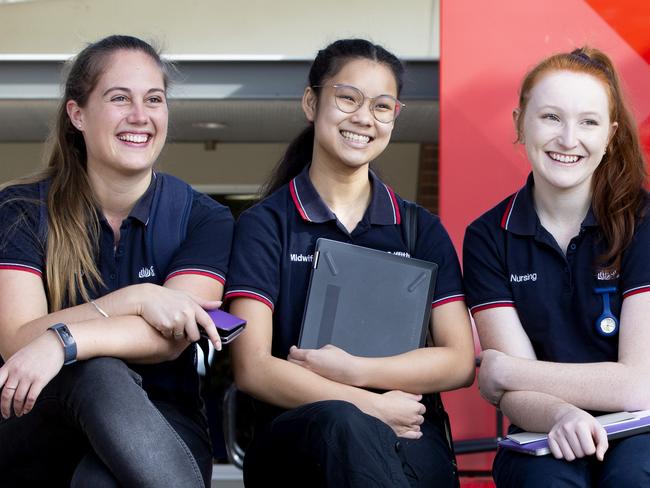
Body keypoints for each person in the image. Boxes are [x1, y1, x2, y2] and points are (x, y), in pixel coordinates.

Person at [225, 38, 475, 487]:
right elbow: (252, 366)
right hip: (299, 440)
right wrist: (370, 404)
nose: (363, 118)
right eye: (347, 98)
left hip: (410, 435)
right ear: (311, 102)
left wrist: (359, 372)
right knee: (342, 423)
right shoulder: (266, 225)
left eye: (382, 107)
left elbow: (457, 361)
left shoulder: (419, 230)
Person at [0, 35, 234, 487]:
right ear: (77, 114)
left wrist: (61, 342)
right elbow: (17, 340)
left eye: (154, 99)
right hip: (36, 418)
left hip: (163, 422)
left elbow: (173, 336)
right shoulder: (21, 210)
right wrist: (138, 298)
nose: (140, 116)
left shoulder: (202, 218)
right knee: (100, 371)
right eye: (119, 98)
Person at [463, 47, 650, 487]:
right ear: (519, 123)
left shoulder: (643, 222)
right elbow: (516, 399)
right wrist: (561, 413)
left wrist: (507, 370)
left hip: (642, 429)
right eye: (551, 117)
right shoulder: (488, 236)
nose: (569, 139)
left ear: (610, 135)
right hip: (542, 428)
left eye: (588, 122)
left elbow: (639, 387)